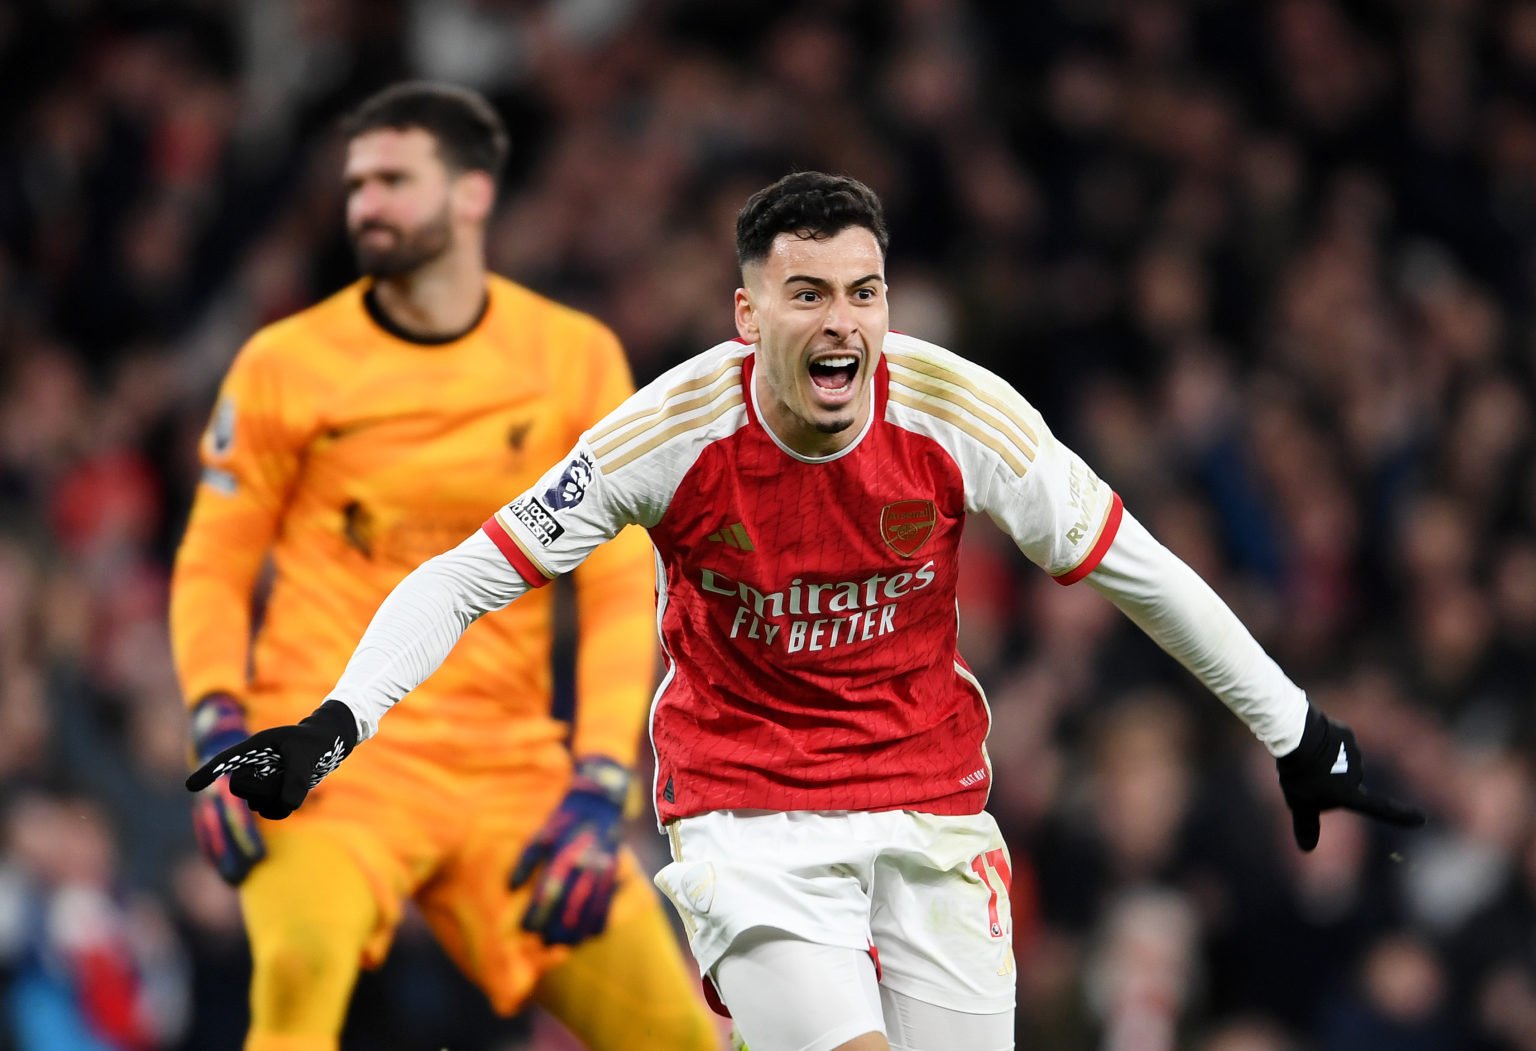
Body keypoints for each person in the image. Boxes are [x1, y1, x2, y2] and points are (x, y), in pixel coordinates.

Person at [188, 171, 1426, 1051]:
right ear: (749, 316)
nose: (844, 322)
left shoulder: (954, 411)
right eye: (809, 295)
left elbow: (1139, 567)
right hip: (749, 813)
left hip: (930, 805)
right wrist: (337, 724)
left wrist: (1299, 735)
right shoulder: (669, 434)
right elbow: (470, 571)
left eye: (865, 293)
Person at [169, 82, 718, 1051]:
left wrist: (599, 781)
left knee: (684, 1033)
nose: (365, 204)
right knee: (294, 997)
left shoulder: (572, 357)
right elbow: (214, 559)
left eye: (393, 180)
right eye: (356, 184)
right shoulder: (283, 363)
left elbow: (621, 582)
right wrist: (215, 711)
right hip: (330, 764)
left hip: (507, 769)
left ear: (472, 194)